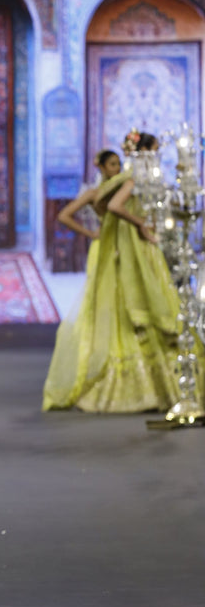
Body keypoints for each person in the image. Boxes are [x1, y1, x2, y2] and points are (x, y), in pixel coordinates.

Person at [43, 132, 184, 413]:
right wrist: (100, 233)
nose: (116, 168)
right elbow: (77, 213)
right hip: (117, 249)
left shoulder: (131, 182)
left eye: (118, 163)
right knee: (116, 304)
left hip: (134, 249)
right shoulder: (117, 186)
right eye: (111, 164)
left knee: (131, 302)